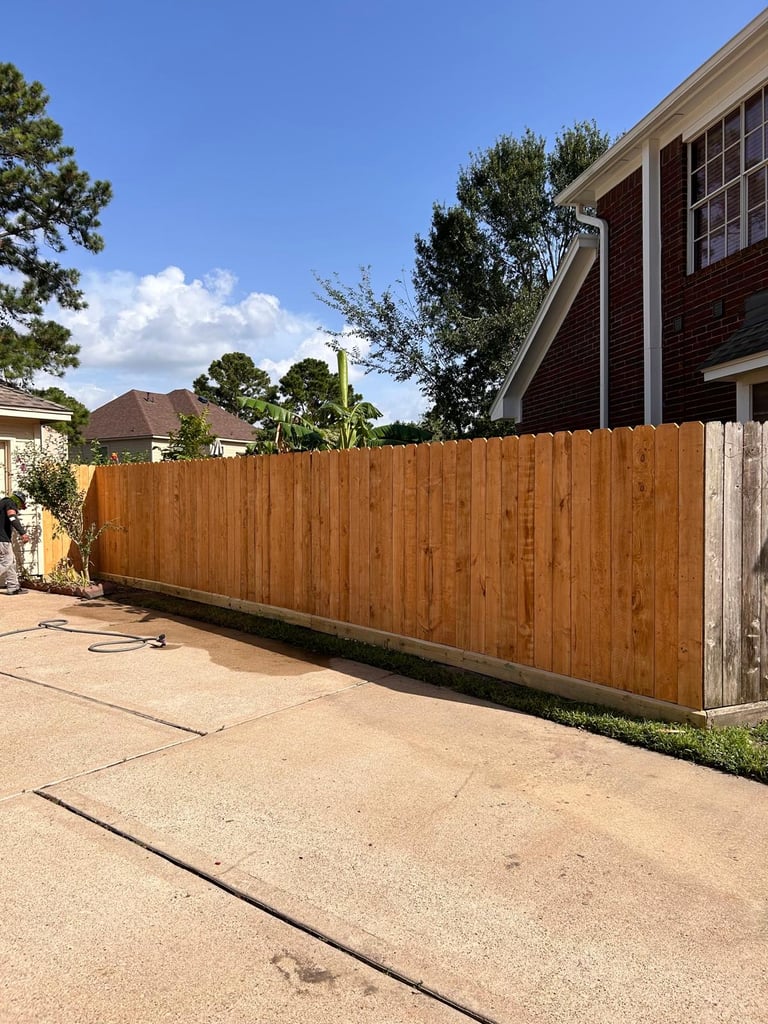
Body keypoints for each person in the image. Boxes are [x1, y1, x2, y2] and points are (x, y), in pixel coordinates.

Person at [0, 490, 30, 595]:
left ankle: (13, 587)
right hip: (2, 539)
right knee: (7, 562)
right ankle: (13, 586)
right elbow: (12, 517)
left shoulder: (2, 503)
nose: (20, 507)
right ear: (18, 500)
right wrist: (23, 533)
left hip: (3, 539)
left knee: (11, 561)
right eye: (21, 504)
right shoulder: (10, 503)